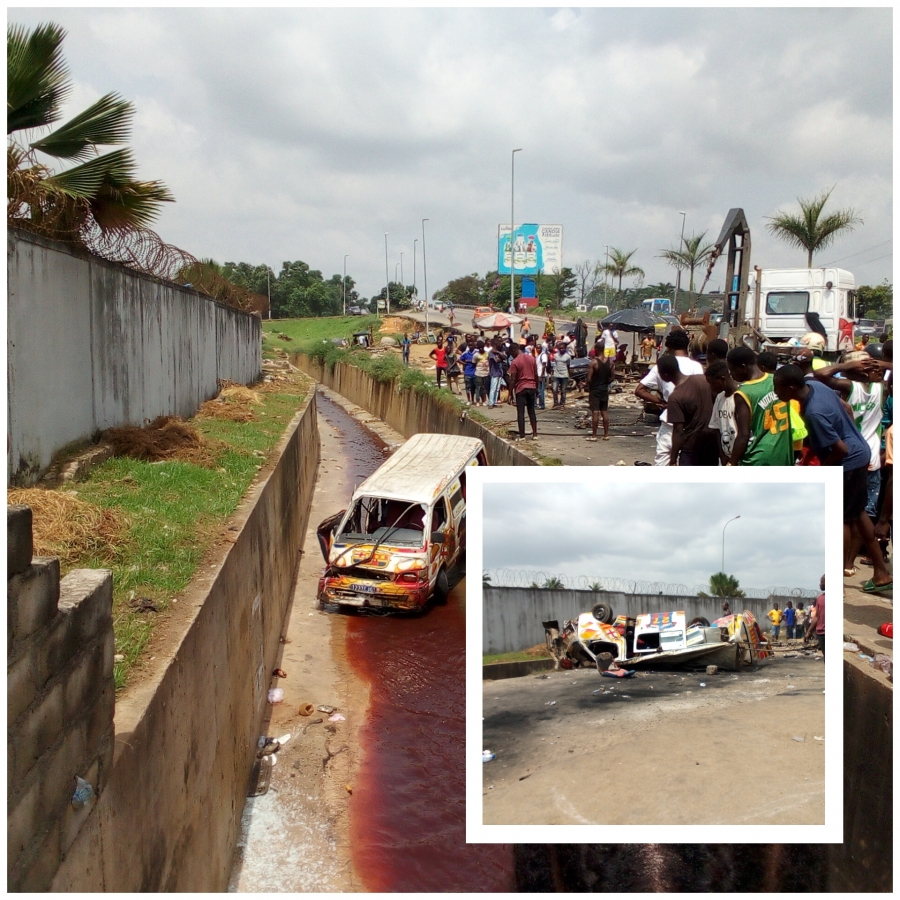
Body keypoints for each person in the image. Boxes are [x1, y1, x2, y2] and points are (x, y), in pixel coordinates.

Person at [773, 365, 892, 593]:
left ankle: (836, 581)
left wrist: (821, 472)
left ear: (790, 387)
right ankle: (881, 573)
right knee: (858, 513)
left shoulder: (813, 413)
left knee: (842, 520)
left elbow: (840, 450)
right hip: (861, 451)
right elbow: (846, 408)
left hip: (848, 462)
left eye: (778, 389)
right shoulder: (817, 387)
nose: (777, 394)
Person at [812, 354, 885, 529]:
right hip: (872, 456)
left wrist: (846, 366)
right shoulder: (882, 388)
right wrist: (883, 364)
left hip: (852, 455)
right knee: (863, 512)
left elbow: (820, 374)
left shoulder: (850, 387)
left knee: (845, 516)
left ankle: (847, 555)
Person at [634, 331, 704, 466]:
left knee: (662, 464)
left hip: (669, 421)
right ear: (687, 345)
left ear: (668, 347)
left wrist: (660, 402)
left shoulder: (662, 366)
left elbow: (639, 390)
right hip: (691, 425)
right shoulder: (696, 366)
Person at [726, 346, 793, 466]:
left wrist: (732, 463)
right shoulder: (777, 379)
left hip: (758, 458)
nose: (731, 374)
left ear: (743, 367)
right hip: (783, 453)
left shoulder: (744, 392)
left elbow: (743, 435)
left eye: (732, 370)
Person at [660, 355, 718, 465]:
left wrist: (673, 460)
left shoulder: (676, 397)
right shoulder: (703, 379)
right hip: (712, 444)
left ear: (665, 375)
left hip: (691, 448)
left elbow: (678, 431)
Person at [705, 361, 738, 464]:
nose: (711, 388)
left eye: (713, 384)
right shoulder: (720, 397)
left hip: (740, 457)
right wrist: (722, 455)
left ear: (722, 379)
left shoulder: (739, 397)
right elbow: (716, 429)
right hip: (725, 456)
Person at [585, 338, 615, 442]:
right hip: (604, 390)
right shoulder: (610, 363)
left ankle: (594, 435)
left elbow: (589, 379)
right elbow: (612, 378)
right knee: (604, 412)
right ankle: (606, 434)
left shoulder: (593, 363)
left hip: (595, 390)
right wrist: (605, 383)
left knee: (595, 412)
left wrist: (587, 385)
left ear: (597, 349)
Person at [507, 342, 538, 440]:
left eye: (511, 353)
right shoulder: (532, 358)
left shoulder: (515, 362)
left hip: (521, 388)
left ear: (513, 351)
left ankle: (522, 436)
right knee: (531, 411)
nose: (511, 356)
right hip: (532, 386)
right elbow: (536, 375)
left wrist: (510, 393)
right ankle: (535, 434)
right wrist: (536, 387)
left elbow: (513, 380)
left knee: (521, 413)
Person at [551, 340, 572, 409]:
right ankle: (555, 403)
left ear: (565, 348)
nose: (561, 349)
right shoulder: (556, 355)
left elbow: (568, 366)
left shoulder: (567, 356)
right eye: (560, 348)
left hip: (564, 375)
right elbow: (554, 364)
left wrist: (569, 375)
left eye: (562, 348)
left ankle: (562, 404)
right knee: (554, 390)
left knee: (563, 390)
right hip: (556, 375)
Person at [809, 575, 825, 658]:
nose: (820, 584)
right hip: (821, 633)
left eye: (822, 582)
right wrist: (809, 631)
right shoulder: (820, 598)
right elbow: (817, 617)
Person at [487, 339, 506, 408]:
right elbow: (496, 360)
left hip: (500, 372)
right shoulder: (491, 353)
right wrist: (499, 355)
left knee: (497, 388)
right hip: (494, 372)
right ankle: (491, 402)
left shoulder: (498, 352)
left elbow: (504, 357)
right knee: (493, 388)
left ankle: (494, 402)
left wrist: (498, 352)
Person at [458, 340, 477, 404]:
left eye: (472, 345)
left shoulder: (477, 352)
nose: (471, 346)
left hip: (475, 373)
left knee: (473, 388)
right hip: (467, 373)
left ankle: (473, 400)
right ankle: (469, 400)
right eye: (470, 345)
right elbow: (459, 360)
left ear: (474, 346)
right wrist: (465, 363)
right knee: (468, 387)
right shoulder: (465, 353)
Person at [473, 340, 490, 406]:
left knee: (485, 388)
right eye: (479, 347)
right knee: (478, 388)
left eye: (482, 347)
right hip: (478, 373)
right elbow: (474, 364)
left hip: (486, 373)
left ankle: (484, 401)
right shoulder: (476, 355)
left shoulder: (487, 354)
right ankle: (477, 401)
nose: (481, 349)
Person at [536, 341, 551, 410]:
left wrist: (541, 375)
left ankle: (542, 405)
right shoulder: (537, 356)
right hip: (537, 375)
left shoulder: (543, 355)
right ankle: (538, 404)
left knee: (541, 391)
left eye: (539, 348)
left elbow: (544, 365)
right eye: (537, 348)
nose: (538, 349)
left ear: (541, 348)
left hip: (541, 375)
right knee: (538, 390)